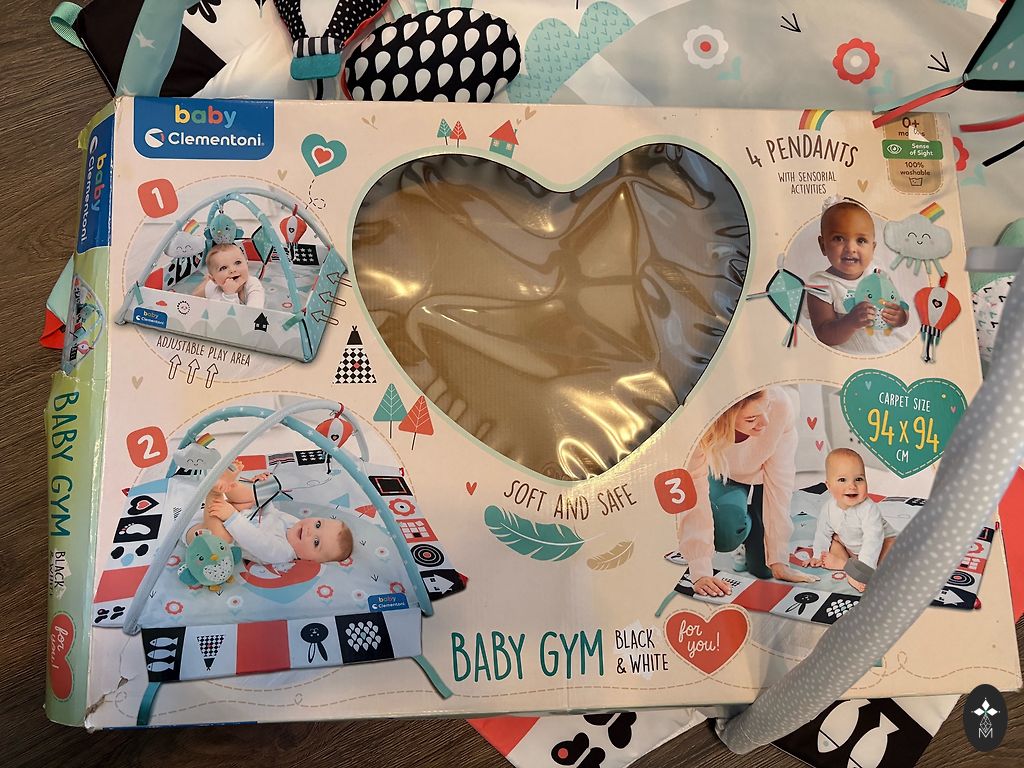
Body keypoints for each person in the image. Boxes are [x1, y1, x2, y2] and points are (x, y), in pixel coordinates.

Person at [677, 386, 819, 597]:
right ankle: (742, 519)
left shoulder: (780, 405)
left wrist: (779, 559)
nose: (765, 422)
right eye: (751, 418)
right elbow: (693, 494)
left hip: (765, 476)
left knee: (765, 570)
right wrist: (700, 570)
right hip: (724, 473)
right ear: (725, 417)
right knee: (725, 534)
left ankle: (750, 515)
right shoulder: (701, 425)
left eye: (766, 407)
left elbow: (780, 483)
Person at [184, 459, 352, 564]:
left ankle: (214, 492)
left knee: (223, 539)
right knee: (250, 499)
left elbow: (255, 540)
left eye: (316, 542)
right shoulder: (295, 525)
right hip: (228, 514)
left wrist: (231, 517)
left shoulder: (283, 553)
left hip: (202, 535)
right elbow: (271, 513)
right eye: (318, 524)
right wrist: (261, 492)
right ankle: (228, 482)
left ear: (309, 561)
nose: (310, 530)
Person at [806, 198, 908, 354]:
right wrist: (849, 322)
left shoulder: (877, 274)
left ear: (873, 248)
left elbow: (901, 306)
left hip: (890, 348)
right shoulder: (821, 286)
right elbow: (824, 334)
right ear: (823, 245)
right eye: (839, 238)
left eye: (861, 240)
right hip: (852, 357)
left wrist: (900, 317)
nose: (850, 248)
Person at [809, 448, 897, 592]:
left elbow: (873, 540)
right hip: (852, 549)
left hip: (880, 546)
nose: (852, 486)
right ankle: (845, 563)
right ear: (829, 486)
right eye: (842, 480)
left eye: (859, 479)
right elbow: (822, 533)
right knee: (834, 540)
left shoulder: (869, 509)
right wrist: (818, 555)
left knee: (894, 549)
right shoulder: (828, 509)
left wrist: (861, 574)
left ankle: (849, 568)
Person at [193, 242, 266, 308]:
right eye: (223, 268)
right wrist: (229, 294)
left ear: (247, 264)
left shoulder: (253, 285)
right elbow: (192, 300)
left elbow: (254, 314)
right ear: (214, 279)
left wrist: (230, 295)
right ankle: (206, 280)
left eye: (238, 262)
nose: (232, 270)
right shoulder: (214, 288)